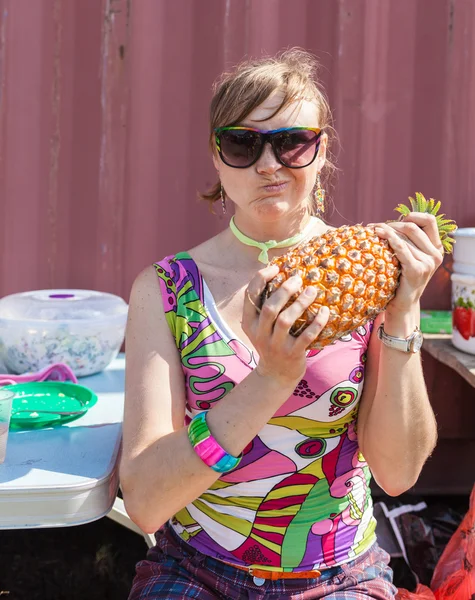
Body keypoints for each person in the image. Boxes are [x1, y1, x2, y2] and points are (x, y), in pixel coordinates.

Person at [121, 48, 442, 599]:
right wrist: (271, 378)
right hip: (197, 569)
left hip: (341, 576)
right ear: (217, 160)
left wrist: (402, 310)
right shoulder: (168, 290)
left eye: (292, 142)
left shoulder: (370, 274)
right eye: (243, 144)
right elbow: (147, 503)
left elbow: (398, 474)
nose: (269, 164)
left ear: (321, 152)